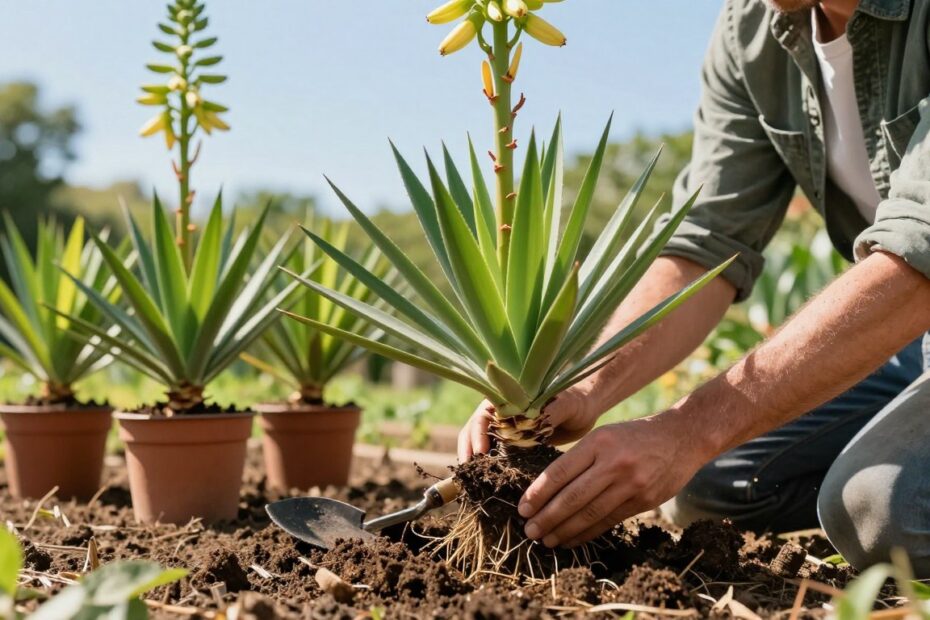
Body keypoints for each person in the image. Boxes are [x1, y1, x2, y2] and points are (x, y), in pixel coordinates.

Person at [458, 0, 930, 576]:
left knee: (885, 510)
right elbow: (708, 244)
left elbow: (920, 250)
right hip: (910, 339)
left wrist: (690, 429)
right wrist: (582, 382)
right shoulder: (751, 30)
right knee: (714, 484)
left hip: (914, 299)